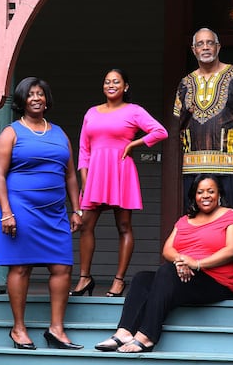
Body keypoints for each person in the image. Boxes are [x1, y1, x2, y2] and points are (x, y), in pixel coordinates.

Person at [94, 174, 233, 353]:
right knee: (142, 278)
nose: (205, 196)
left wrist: (196, 263)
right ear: (194, 195)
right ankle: (124, 332)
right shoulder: (184, 220)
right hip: (183, 275)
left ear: (219, 195)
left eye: (211, 191)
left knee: (165, 271)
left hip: (216, 282)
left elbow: (231, 250)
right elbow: (167, 250)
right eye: (200, 192)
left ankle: (147, 336)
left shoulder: (230, 216)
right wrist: (181, 262)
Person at [0, 77, 83, 350]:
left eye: (40, 94)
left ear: (47, 99)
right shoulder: (11, 132)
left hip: (54, 212)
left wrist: (76, 209)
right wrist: (6, 212)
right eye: (30, 94)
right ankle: (18, 328)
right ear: (22, 100)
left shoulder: (59, 133)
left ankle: (56, 329)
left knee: (62, 267)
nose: (36, 98)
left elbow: (70, 176)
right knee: (21, 266)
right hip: (20, 209)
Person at [173, 27, 233, 296]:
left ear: (219, 46)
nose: (205, 47)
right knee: (195, 221)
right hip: (194, 164)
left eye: (210, 42)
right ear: (193, 50)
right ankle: (192, 276)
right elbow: (179, 119)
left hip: (232, 164)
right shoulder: (185, 83)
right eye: (200, 44)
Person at [70, 68, 169, 297]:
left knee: (123, 226)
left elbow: (160, 131)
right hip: (94, 175)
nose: (111, 85)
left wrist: (134, 144)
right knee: (86, 225)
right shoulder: (91, 113)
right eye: (107, 82)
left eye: (116, 82)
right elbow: (84, 149)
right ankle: (84, 278)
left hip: (120, 173)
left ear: (125, 87)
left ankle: (118, 280)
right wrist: (85, 180)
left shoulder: (134, 111)